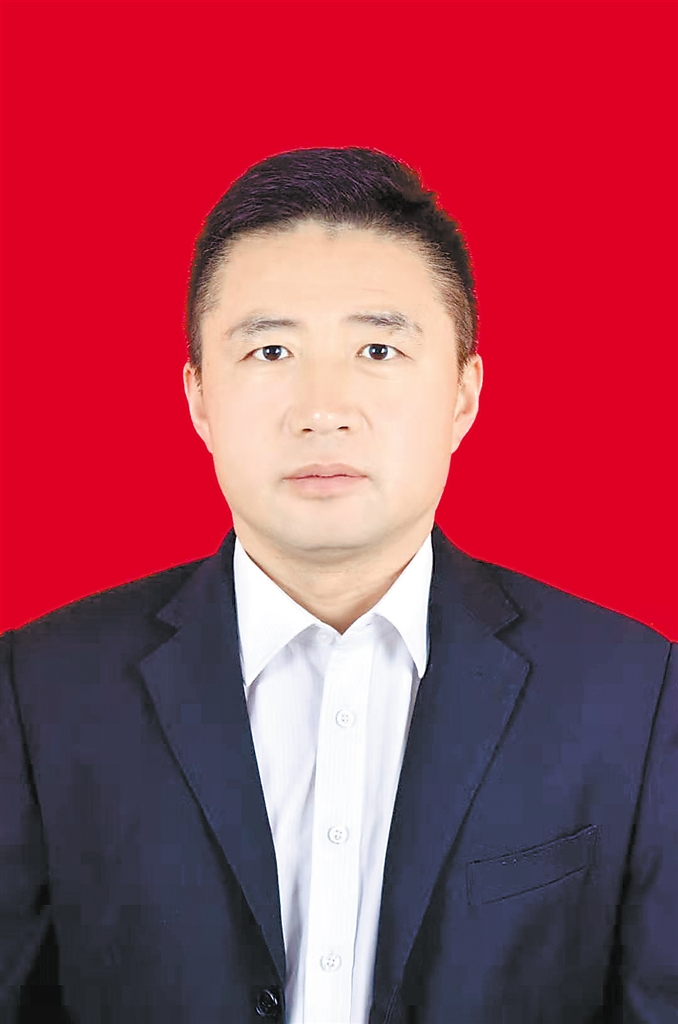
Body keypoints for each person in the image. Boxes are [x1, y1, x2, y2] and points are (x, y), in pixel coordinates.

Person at [0, 147, 675, 1024]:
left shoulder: (632, 693)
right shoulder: (40, 691)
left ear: (464, 393)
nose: (323, 408)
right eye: (271, 349)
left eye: (378, 348)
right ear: (199, 397)